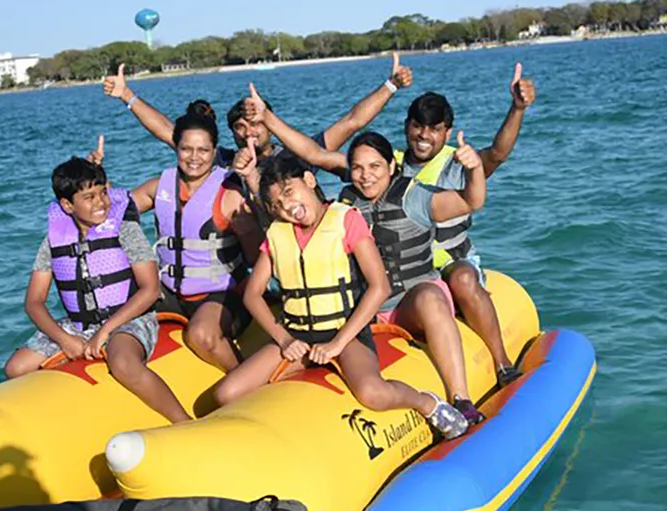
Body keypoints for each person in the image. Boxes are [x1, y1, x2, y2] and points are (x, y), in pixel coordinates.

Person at [243, 85, 489, 423]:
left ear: (392, 165)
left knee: (430, 297)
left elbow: (470, 201)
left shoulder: (414, 197)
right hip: (364, 312)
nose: (365, 175)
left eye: (375, 167)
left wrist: (475, 169)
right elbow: (313, 155)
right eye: (357, 168)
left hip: (410, 303)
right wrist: (266, 119)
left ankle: (460, 398)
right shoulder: (347, 199)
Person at [214, 153, 468, 439]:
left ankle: (427, 403)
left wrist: (338, 343)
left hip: (346, 334)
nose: (287, 206)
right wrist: (285, 339)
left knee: (372, 393)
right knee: (227, 393)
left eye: (289, 192)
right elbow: (252, 294)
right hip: (298, 336)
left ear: (309, 180)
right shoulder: (277, 234)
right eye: (276, 204)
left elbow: (379, 286)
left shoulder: (346, 220)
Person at [4, 146, 190, 423]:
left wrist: (104, 332)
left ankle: (183, 421)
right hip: (77, 324)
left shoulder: (125, 229)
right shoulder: (54, 240)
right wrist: (65, 340)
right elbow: (33, 302)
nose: (101, 202)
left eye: (103, 192)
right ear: (67, 205)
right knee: (16, 368)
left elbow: (150, 289)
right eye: (88, 197)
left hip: (129, 319)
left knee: (123, 363)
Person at [393, 65, 536, 386]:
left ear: (447, 132)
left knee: (462, 277)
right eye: (417, 126)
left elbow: (498, 154)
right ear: (407, 126)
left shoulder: (459, 161)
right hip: (408, 271)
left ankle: (502, 364)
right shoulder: (390, 164)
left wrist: (517, 108)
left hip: (452, 262)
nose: (424, 135)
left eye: (434, 128)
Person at [122, 108, 262, 372]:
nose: (194, 158)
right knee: (117, 308)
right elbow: (111, 213)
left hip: (222, 294)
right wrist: (95, 183)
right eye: (186, 149)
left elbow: (257, 258)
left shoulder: (229, 192)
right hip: (169, 293)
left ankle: (247, 384)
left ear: (214, 151)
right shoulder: (159, 187)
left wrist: (248, 230)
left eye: (203, 150)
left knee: (201, 335)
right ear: (176, 147)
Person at [101, 53, 414, 168]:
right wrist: (127, 95)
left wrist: (391, 86)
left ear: (269, 122)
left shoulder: (298, 153)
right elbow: (168, 131)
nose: (249, 131)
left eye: (255, 122)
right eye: (240, 126)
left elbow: (352, 121)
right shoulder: (221, 161)